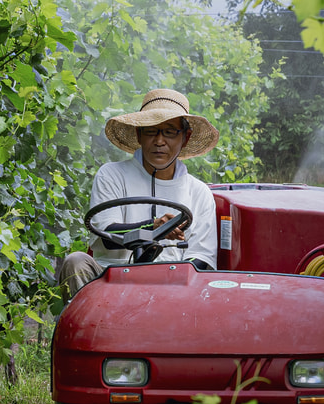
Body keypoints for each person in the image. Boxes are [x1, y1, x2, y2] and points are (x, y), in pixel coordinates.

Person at [55, 88, 220, 302]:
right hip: (109, 280)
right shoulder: (112, 174)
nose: (159, 141)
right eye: (151, 131)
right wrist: (151, 228)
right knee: (75, 262)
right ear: (139, 134)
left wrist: (172, 283)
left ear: (185, 138)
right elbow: (105, 236)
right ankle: (87, 331)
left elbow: (202, 258)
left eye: (169, 132)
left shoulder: (199, 192)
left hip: (171, 291)